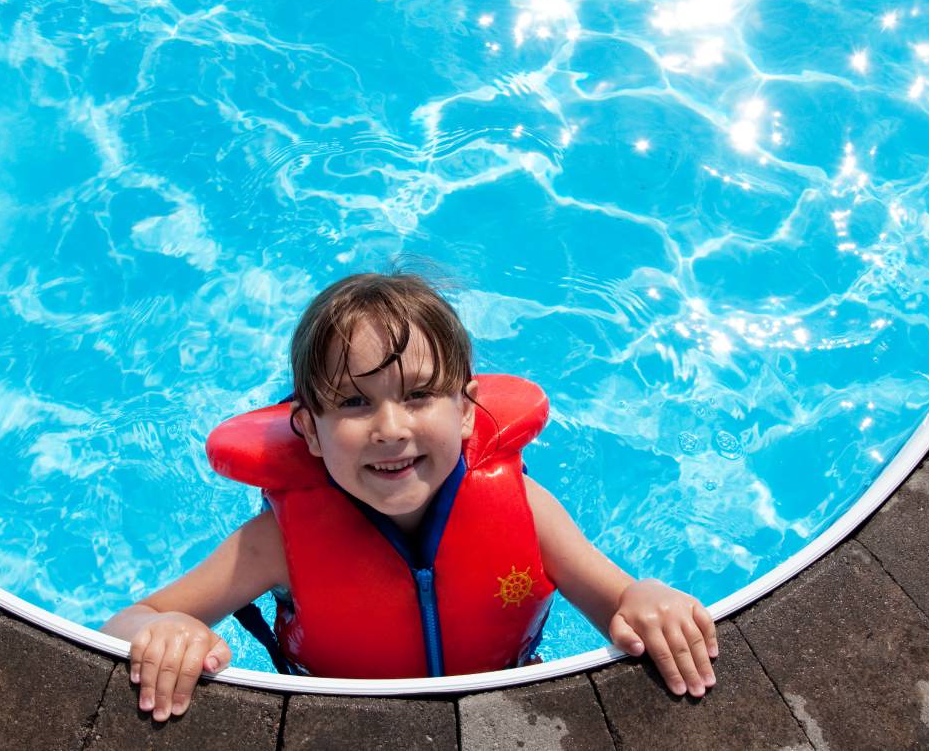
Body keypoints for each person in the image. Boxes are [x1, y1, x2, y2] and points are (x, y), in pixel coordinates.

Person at [102, 271, 718, 722]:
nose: (391, 428)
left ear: (469, 412)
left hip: (515, 714)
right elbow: (130, 621)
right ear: (310, 432)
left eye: (419, 395)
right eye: (353, 402)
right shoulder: (275, 546)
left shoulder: (525, 508)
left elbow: (619, 600)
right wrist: (168, 633)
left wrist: (649, 598)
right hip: (336, 727)